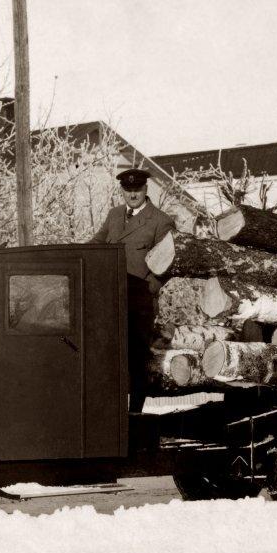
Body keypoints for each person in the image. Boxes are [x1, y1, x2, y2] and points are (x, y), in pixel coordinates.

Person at [89, 168, 175, 412]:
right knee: (109, 356)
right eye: (128, 190)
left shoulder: (160, 220)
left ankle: (135, 413)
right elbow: (96, 244)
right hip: (111, 298)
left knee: (136, 358)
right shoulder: (114, 215)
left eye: (137, 189)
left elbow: (168, 263)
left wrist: (149, 289)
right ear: (122, 191)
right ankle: (110, 414)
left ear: (146, 189)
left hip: (139, 302)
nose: (133, 194)